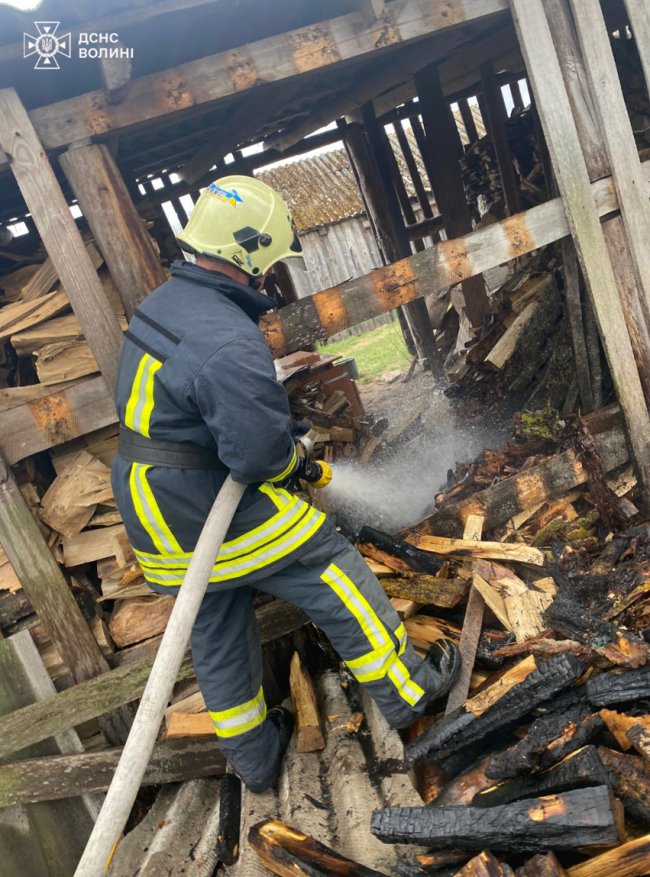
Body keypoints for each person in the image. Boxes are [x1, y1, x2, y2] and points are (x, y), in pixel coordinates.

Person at [111, 175, 461, 792]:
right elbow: (255, 458)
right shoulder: (226, 338)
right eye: (269, 260)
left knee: (215, 622)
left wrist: (267, 417)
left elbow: (195, 404)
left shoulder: (164, 304)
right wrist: (290, 454)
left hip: (149, 502)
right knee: (329, 562)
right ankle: (411, 692)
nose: (272, 273)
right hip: (199, 501)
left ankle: (254, 757)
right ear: (248, 252)